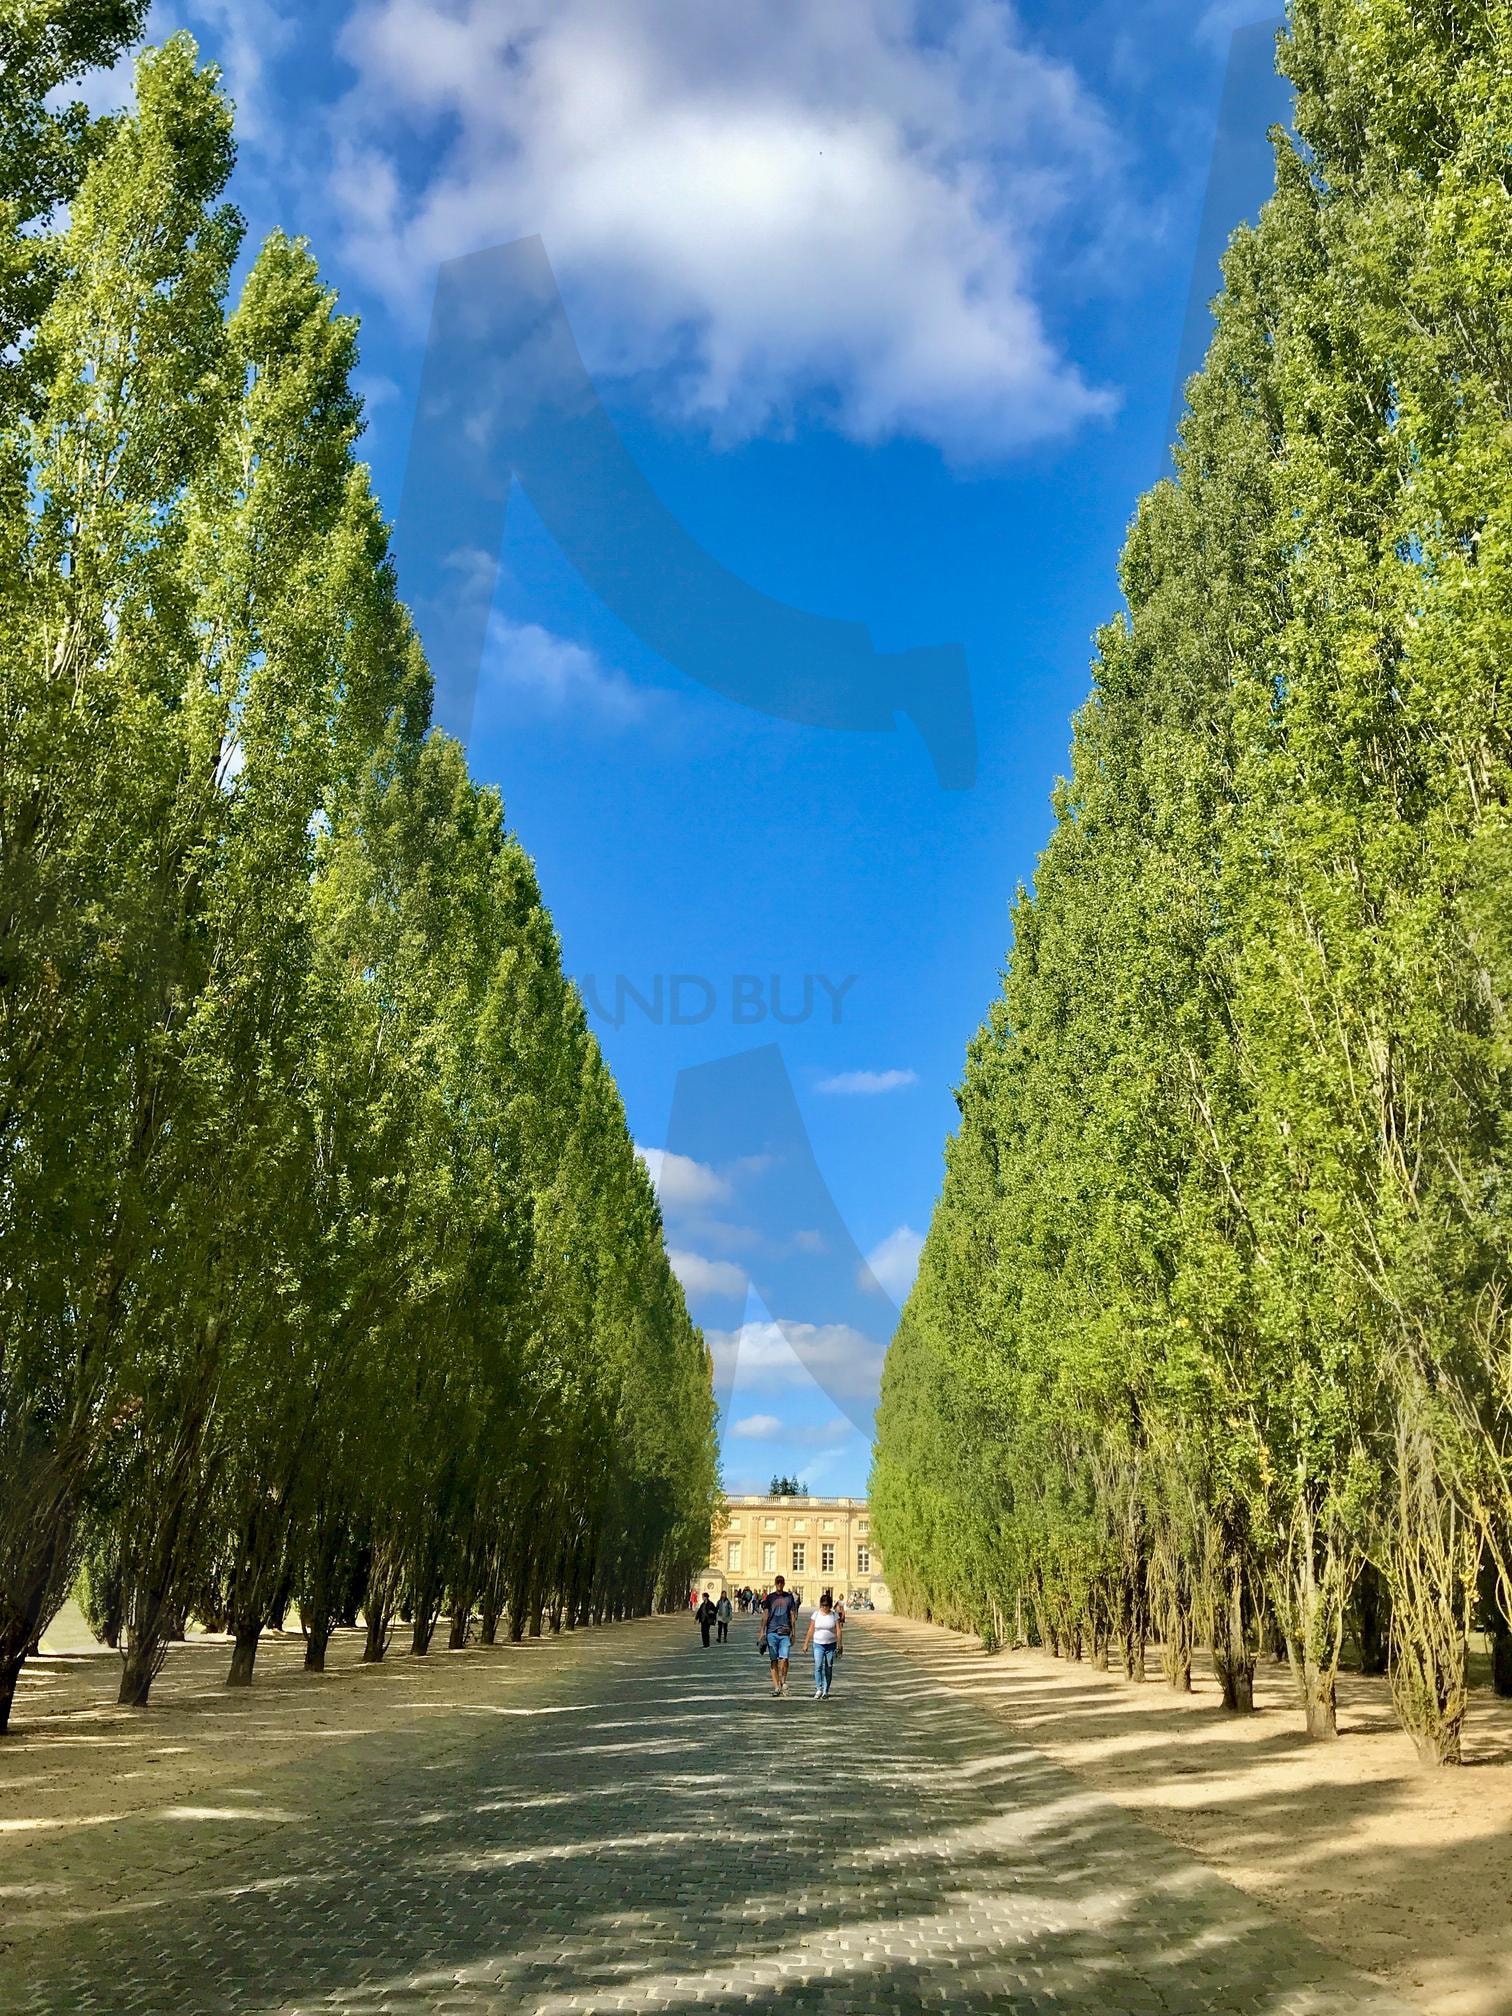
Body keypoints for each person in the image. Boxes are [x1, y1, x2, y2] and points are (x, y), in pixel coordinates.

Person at [760, 1576, 799, 1696]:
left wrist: (794, 1632)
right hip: (772, 1631)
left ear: (784, 1584)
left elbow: (792, 1615)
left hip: (785, 1631)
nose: (779, 1585)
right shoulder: (770, 1598)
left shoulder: (789, 1597)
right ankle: (776, 1686)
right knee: (774, 1660)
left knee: (785, 1659)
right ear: (775, 1584)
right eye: (778, 1583)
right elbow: (765, 1615)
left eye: (781, 1583)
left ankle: (783, 1680)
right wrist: (762, 1631)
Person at [803, 1590, 842, 1699]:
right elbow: (811, 1629)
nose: (825, 1608)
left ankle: (826, 1690)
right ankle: (819, 1688)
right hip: (818, 1644)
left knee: (828, 1667)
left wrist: (840, 1644)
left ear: (830, 1606)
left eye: (827, 1606)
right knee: (818, 1666)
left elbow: (838, 1630)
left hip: (831, 1645)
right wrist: (806, 1643)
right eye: (823, 1605)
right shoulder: (816, 1614)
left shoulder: (834, 1615)